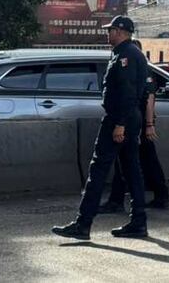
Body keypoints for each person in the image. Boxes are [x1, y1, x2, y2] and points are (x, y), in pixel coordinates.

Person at [52, 16, 148, 240]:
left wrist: (120, 124)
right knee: (132, 171)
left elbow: (127, 92)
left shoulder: (126, 55)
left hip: (119, 119)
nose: (108, 34)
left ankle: (83, 224)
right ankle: (138, 221)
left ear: (120, 31)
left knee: (98, 170)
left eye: (111, 30)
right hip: (128, 119)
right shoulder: (129, 53)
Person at [100, 39, 169, 212]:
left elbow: (149, 99)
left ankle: (120, 201)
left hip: (136, 122)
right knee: (137, 160)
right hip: (134, 121)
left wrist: (149, 124)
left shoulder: (141, 70)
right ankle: (159, 196)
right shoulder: (134, 68)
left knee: (132, 161)